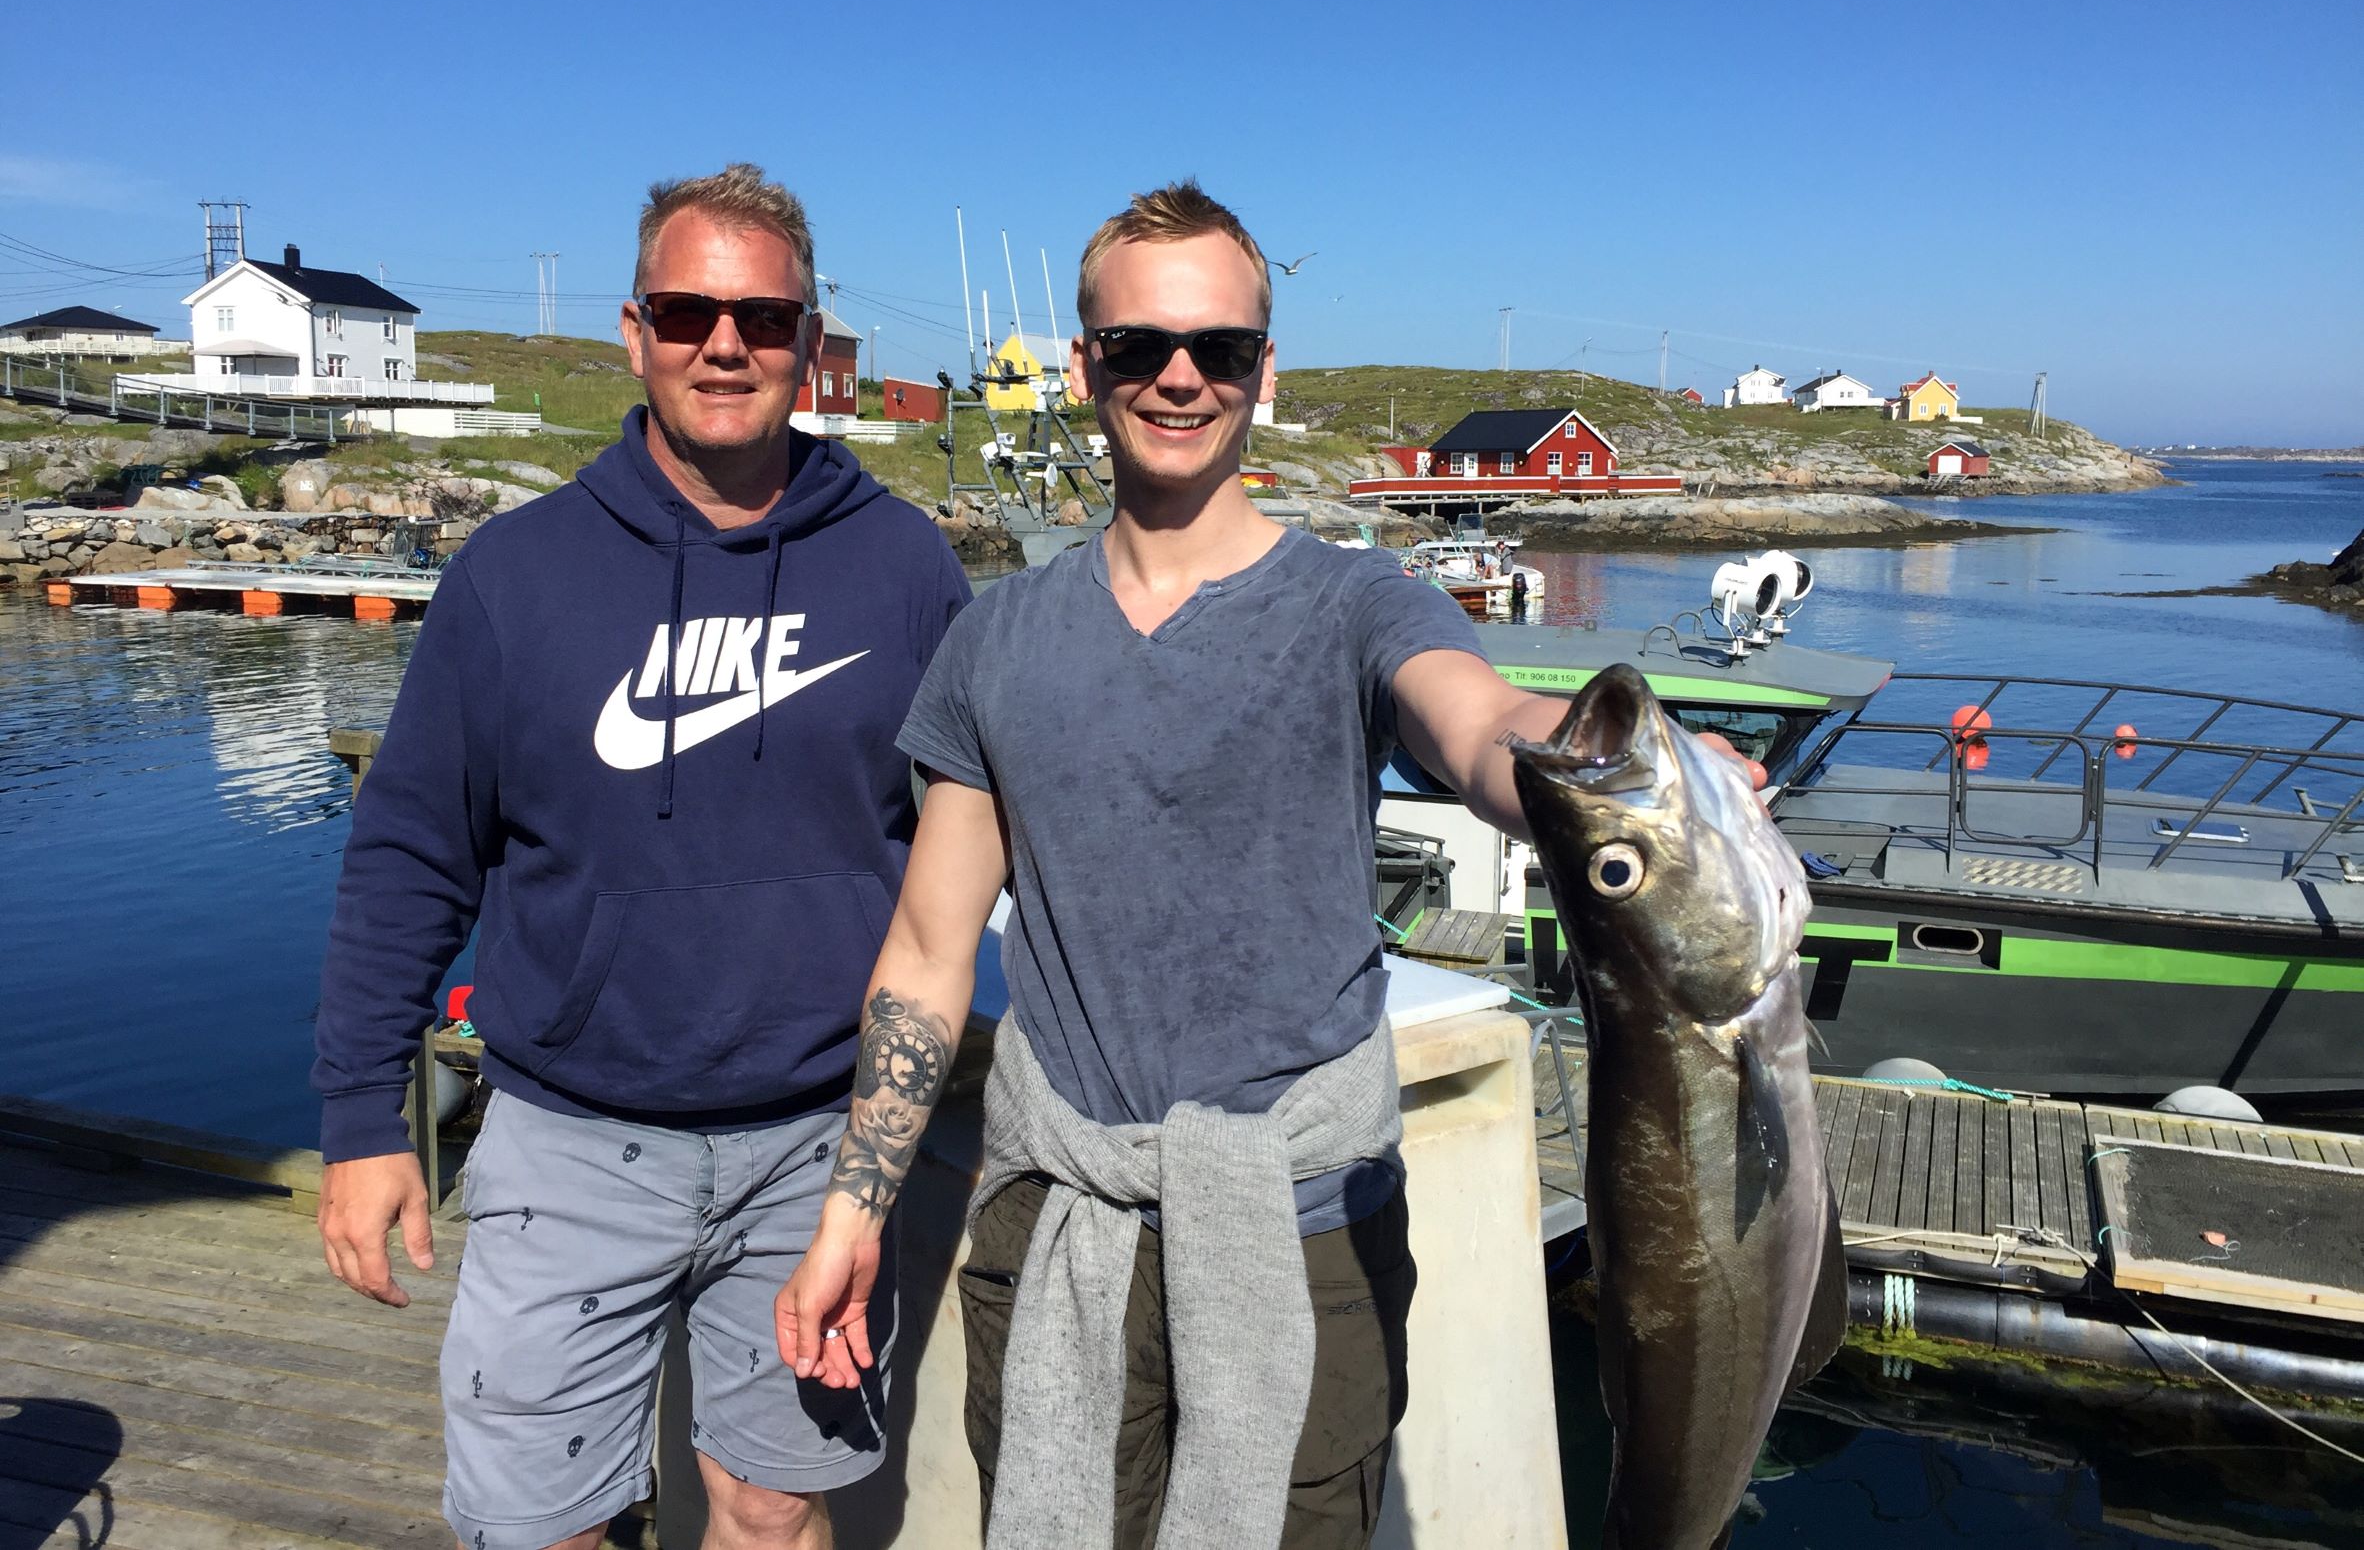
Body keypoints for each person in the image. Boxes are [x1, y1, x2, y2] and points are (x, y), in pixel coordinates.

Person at [774, 182, 1765, 1549]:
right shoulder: (992, 642)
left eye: (1218, 349)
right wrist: (853, 1213)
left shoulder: (1358, 602)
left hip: (1309, 1240)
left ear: (1264, 371)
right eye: (1138, 347)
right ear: (1085, 367)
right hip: (1057, 1225)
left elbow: (1478, 728)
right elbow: (933, 953)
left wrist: (1609, 763)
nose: (1178, 376)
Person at [313, 163, 971, 1550]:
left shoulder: (909, 570)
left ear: (809, 341)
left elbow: (981, 846)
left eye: (760, 316)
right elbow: (410, 859)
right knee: (543, 1525)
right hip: (568, 1139)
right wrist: (367, 1122)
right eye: (686, 310)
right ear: (634, 329)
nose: (722, 343)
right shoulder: (514, 574)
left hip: (818, 1146)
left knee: (772, 1509)